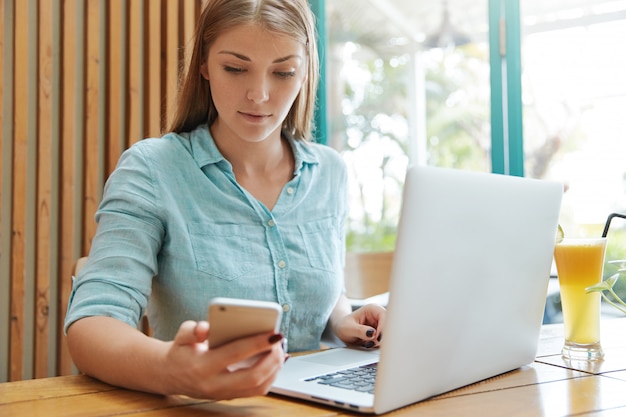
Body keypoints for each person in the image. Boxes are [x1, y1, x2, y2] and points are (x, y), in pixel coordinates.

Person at [64, 0, 386, 400]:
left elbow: (317, 286)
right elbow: (92, 324)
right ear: (204, 66)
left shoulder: (331, 172)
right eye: (235, 68)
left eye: (283, 72)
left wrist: (341, 319)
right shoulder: (153, 169)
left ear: (305, 73)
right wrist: (170, 370)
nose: (259, 94)